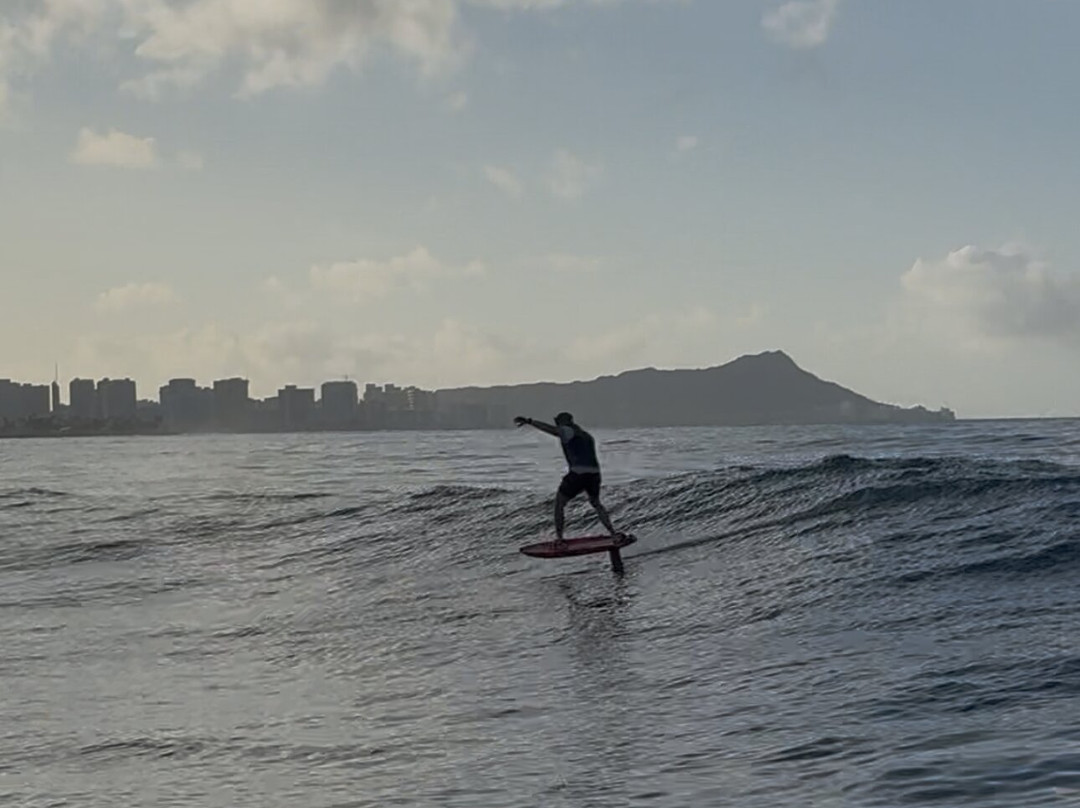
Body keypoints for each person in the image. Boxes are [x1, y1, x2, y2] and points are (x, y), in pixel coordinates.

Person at [514, 411, 622, 542]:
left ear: (562, 421)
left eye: (557, 422)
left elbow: (551, 430)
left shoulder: (567, 430)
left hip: (578, 474)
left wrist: (530, 422)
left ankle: (559, 538)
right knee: (596, 503)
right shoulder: (586, 435)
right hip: (594, 474)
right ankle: (613, 532)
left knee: (559, 504)